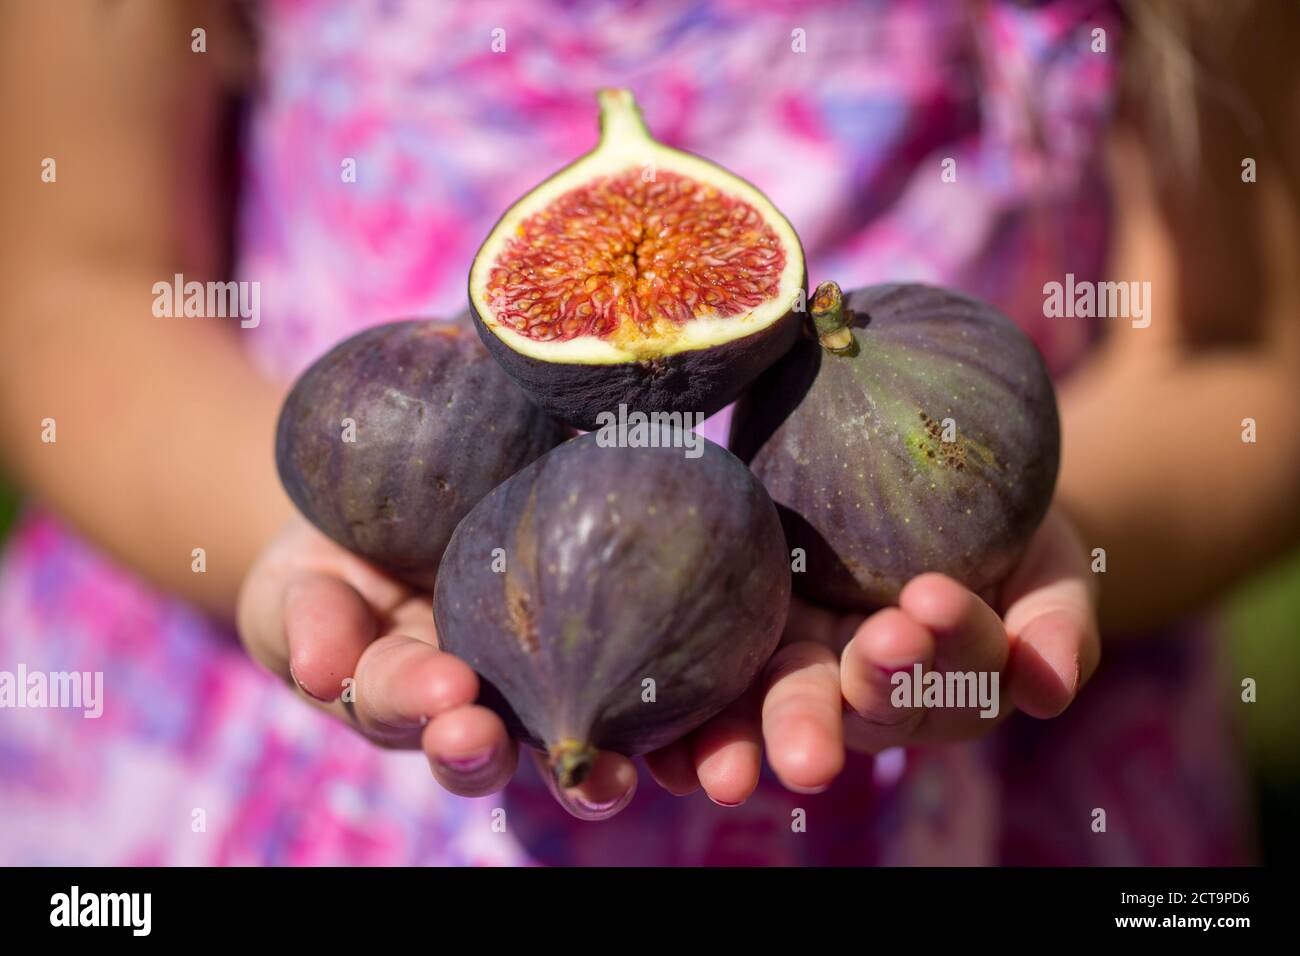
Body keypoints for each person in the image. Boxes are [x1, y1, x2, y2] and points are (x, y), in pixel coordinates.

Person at [0, 0, 1295, 865]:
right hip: (257, 733)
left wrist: (1024, 529)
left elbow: (1252, 358)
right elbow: (75, 284)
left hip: (999, 777)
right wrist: (284, 541)